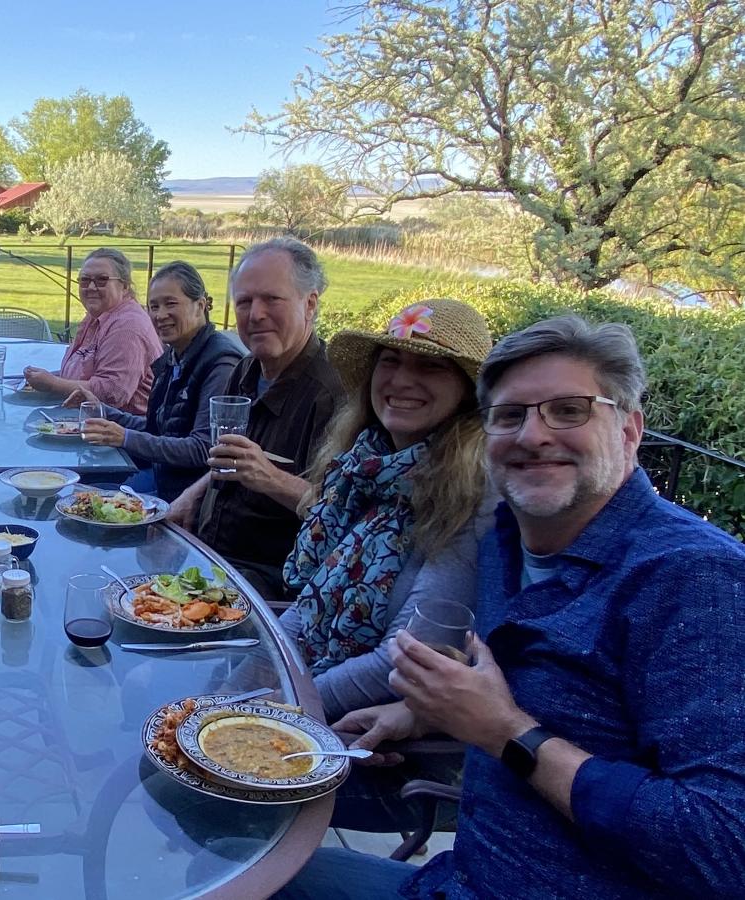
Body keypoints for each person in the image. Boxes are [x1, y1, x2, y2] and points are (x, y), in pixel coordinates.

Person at [277, 316, 745, 900]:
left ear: (630, 430)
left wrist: (507, 733)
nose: (533, 435)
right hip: (458, 876)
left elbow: (725, 848)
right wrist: (421, 714)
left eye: (569, 411)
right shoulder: (508, 540)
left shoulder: (694, 576)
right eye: (511, 415)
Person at [279, 298, 492, 723]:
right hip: (303, 688)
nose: (402, 380)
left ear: (468, 392)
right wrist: (253, 667)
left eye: (431, 367)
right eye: (390, 361)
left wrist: (275, 704)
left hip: (357, 738)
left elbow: (402, 662)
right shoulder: (364, 469)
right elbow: (307, 608)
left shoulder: (472, 492)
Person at [168, 237, 345, 604]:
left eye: (271, 299)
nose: (256, 313)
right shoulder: (247, 369)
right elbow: (231, 460)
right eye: (245, 302)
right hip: (210, 555)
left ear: (309, 303)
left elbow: (342, 511)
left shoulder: (333, 393)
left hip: (267, 585)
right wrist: (193, 493)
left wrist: (270, 478)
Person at [61, 260, 243, 500]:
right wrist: (101, 411)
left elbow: (203, 449)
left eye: (171, 304)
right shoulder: (174, 355)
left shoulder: (220, 363)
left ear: (200, 305)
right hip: (162, 474)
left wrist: (124, 437)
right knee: (69, 480)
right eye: (153, 306)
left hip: (189, 495)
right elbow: (156, 429)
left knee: (79, 496)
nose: (160, 315)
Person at [22, 247, 163, 415]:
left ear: (124, 286)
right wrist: (42, 378)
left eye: (102, 280)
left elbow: (112, 393)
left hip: (123, 432)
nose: (90, 287)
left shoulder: (127, 327)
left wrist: (53, 384)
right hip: (88, 419)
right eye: (84, 280)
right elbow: (84, 372)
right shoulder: (98, 316)